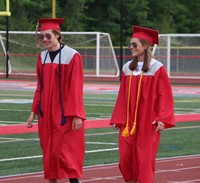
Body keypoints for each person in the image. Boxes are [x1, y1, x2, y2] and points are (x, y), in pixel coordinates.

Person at [110, 25, 175, 183]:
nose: (131, 47)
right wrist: (119, 118)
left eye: (134, 44)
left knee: (144, 161)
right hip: (128, 122)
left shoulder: (157, 68)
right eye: (130, 44)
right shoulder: (127, 68)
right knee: (125, 159)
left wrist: (162, 118)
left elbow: (164, 95)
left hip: (148, 121)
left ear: (145, 45)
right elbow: (122, 96)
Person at [26, 18, 86, 183]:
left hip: (64, 113)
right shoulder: (42, 57)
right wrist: (34, 111)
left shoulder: (72, 56)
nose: (45, 40)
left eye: (48, 36)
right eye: (42, 36)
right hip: (46, 112)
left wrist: (77, 114)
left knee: (66, 151)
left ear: (57, 35)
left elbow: (76, 87)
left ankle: (74, 181)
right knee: (49, 152)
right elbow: (40, 86)